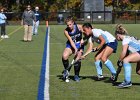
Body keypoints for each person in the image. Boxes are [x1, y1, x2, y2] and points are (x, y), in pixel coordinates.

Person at [62, 16, 84, 82]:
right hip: (71, 45)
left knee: (77, 59)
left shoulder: (79, 27)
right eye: (67, 25)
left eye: (70, 24)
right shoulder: (66, 31)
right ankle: (67, 71)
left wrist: (83, 39)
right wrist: (75, 49)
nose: (69, 26)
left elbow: (89, 31)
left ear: (73, 23)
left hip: (80, 44)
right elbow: (71, 41)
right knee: (64, 56)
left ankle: (76, 75)